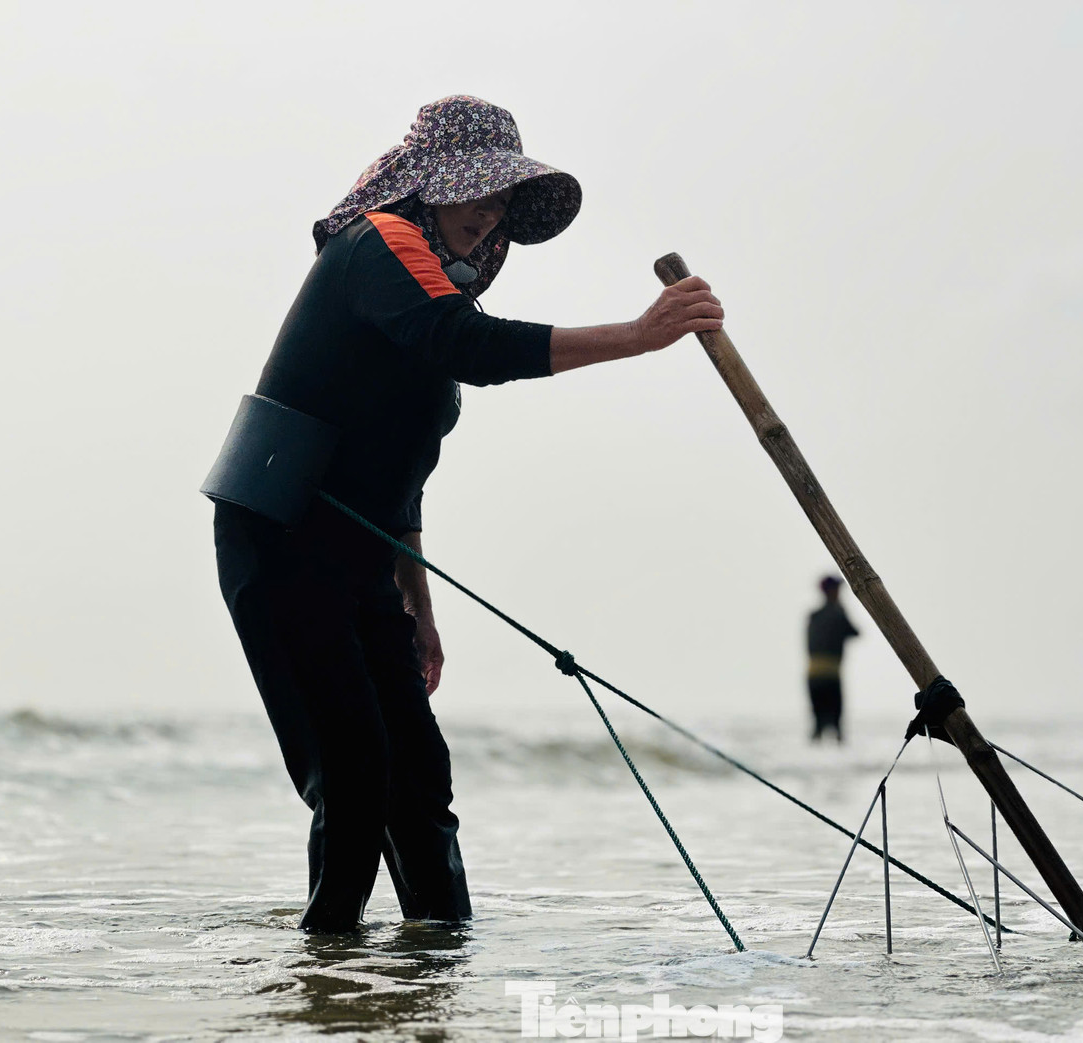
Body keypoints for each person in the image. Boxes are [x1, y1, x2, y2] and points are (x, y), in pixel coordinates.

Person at [207, 96, 723, 933]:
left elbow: (399, 470)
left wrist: (417, 601)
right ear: (428, 183)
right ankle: (328, 973)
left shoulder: (434, 292)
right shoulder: (378, 242)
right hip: (281, 538)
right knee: (355, 773)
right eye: (477, 190)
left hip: (361, 557)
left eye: (501, 199)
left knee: (419, 775)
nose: (490, 213)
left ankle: (435, 972)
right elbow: (470, 350)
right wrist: (637, 335)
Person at [806, 576, 859, 742]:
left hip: (813, 673)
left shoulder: (814, 615)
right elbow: (855, 632)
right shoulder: (838, 614)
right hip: (831, 674)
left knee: (818, 722)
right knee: (836, 723)